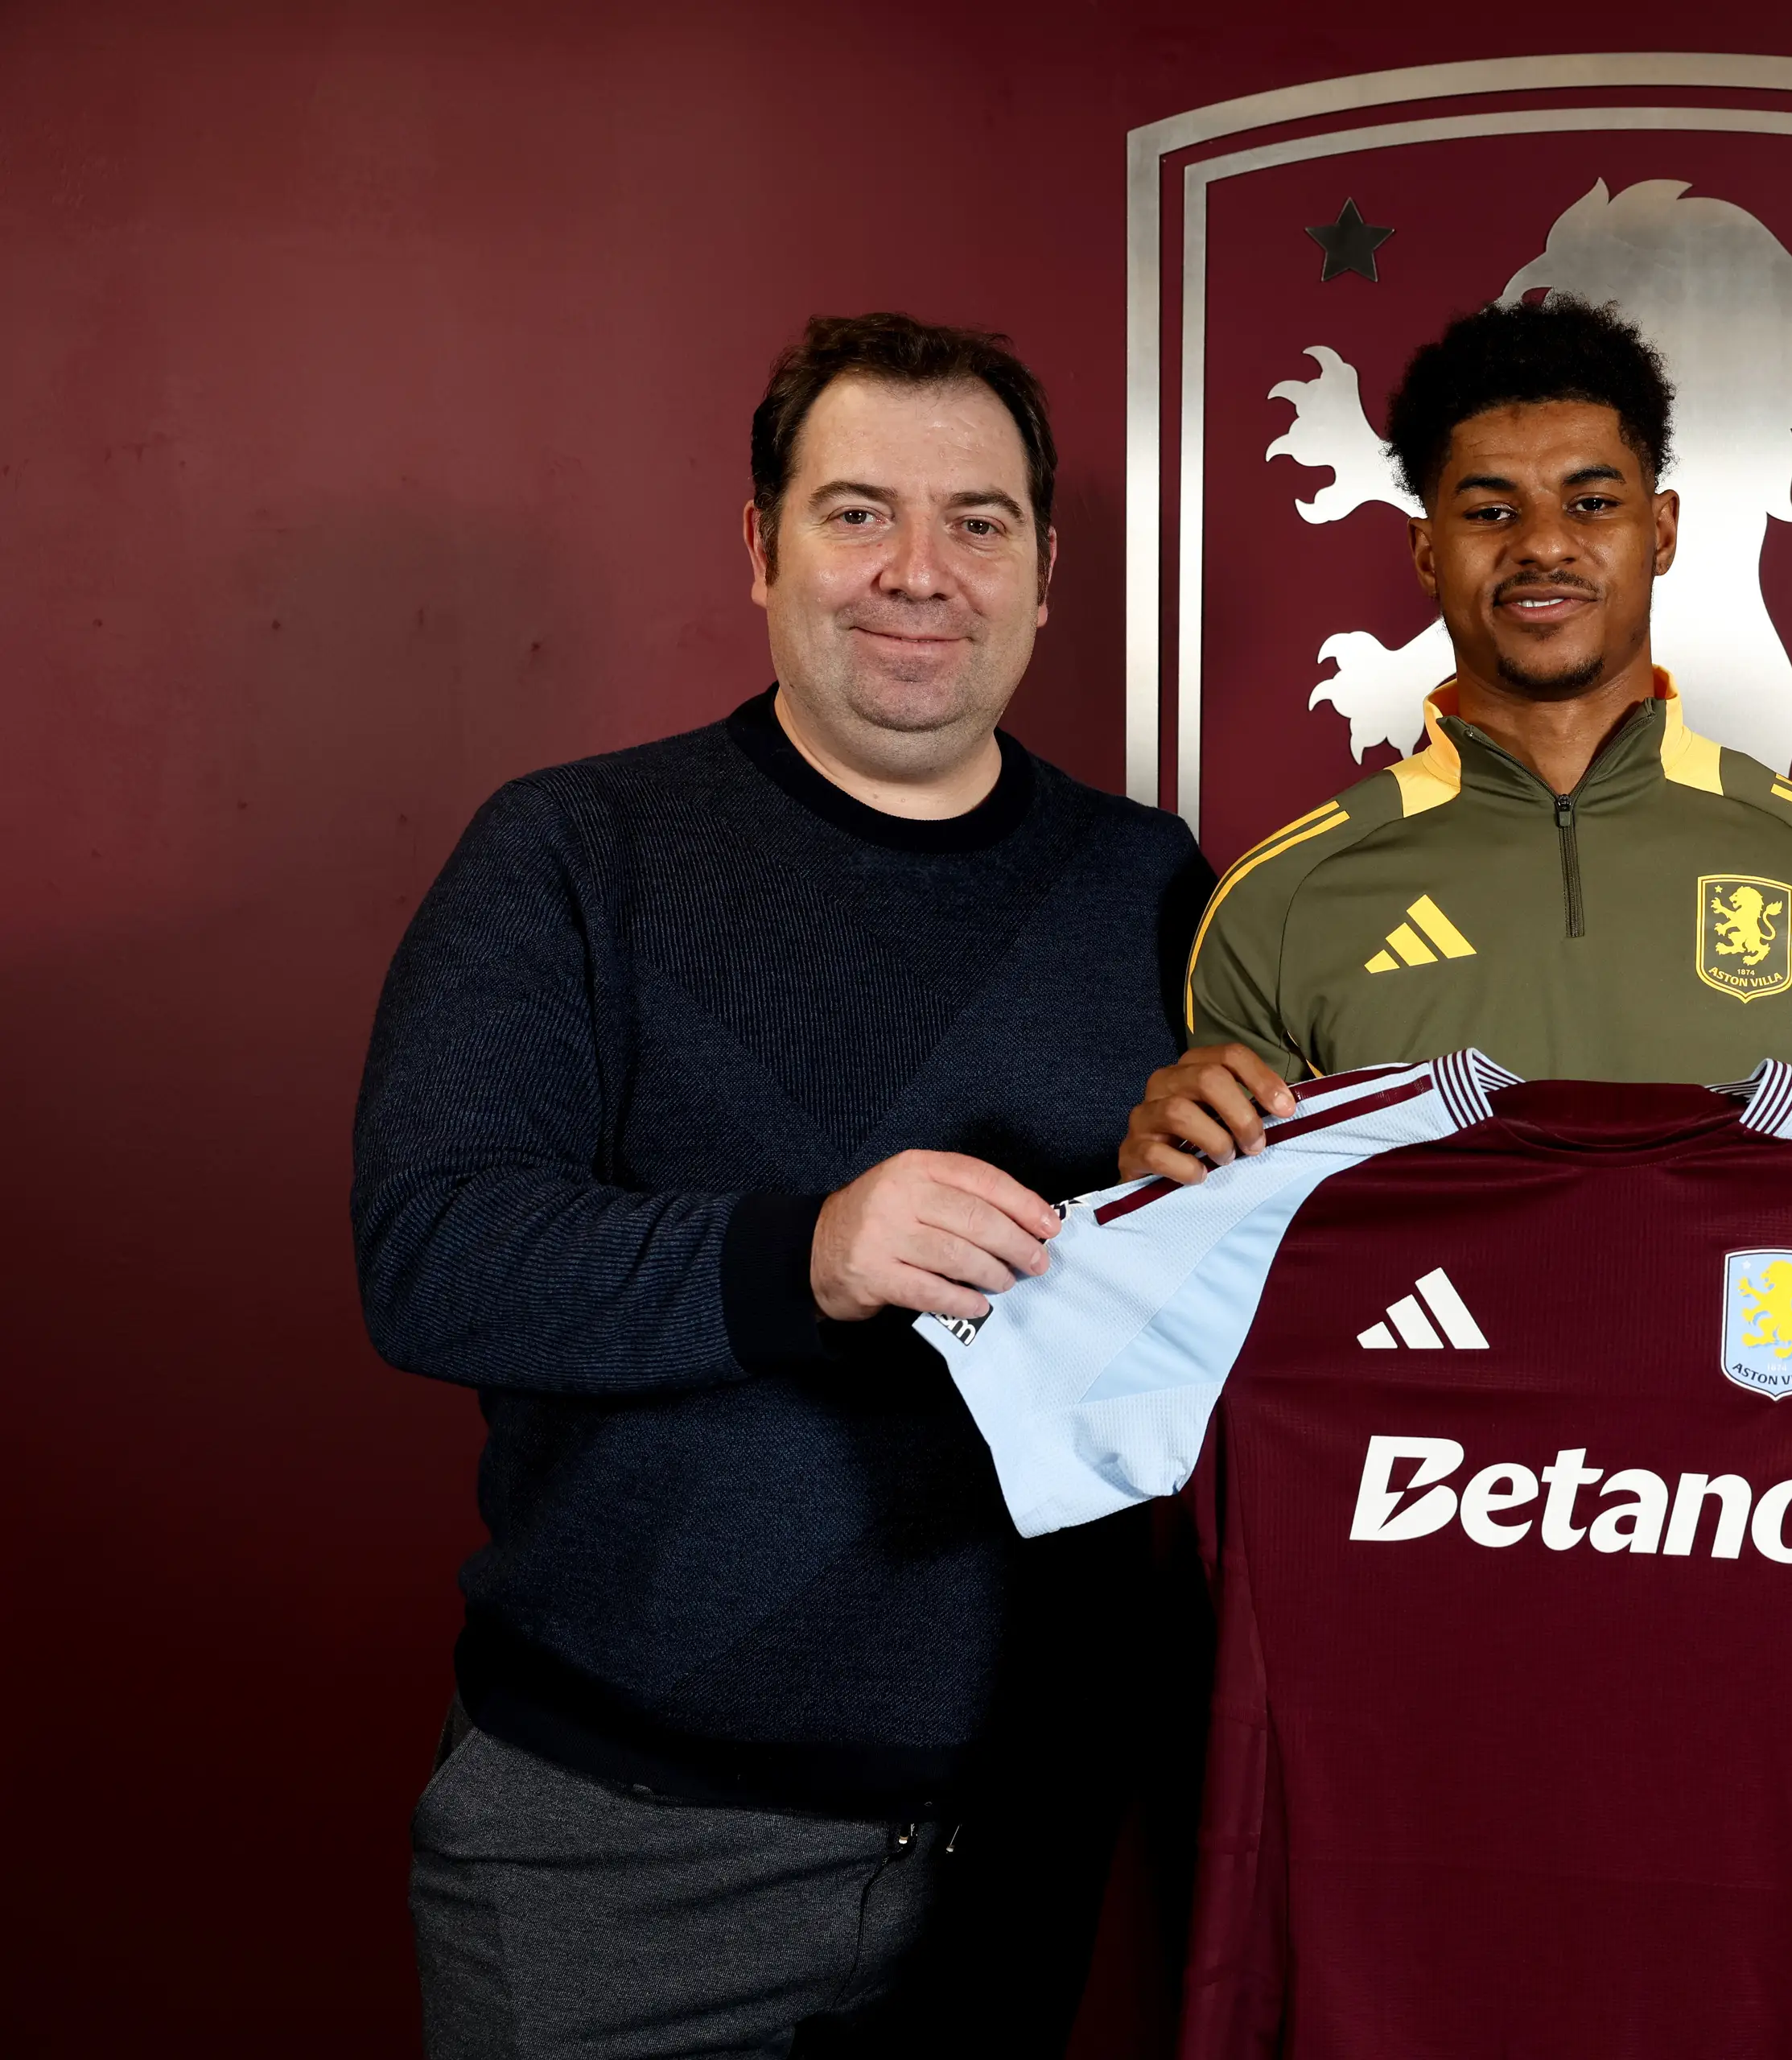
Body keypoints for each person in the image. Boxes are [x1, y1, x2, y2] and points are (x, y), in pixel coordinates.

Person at [353, 312, 1211, 2058]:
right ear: (759, 549)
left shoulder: (1155, 880)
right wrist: (803, 1251)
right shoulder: (572, 849)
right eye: (855, 513)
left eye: (977, 521)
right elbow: (431, 1249)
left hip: (1021, 1832)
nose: (918, 571)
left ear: (1046, 569)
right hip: (623, 1833)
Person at [1119, 296, 1792, 1183]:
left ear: (1663, 530)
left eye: (1592, 504)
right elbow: (1239, 1261)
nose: (1544, 545)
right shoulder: (1277, 906)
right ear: (1424, 552)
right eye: (1491, 510)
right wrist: (1168, 1184)